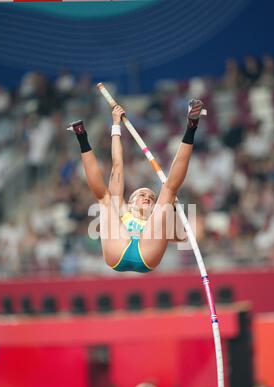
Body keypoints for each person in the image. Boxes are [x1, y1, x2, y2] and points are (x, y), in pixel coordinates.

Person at [67, 99, 204, 273]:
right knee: (106, 199)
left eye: (150, 198)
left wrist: (172, 212)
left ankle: (192, 126)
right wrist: (116, 125)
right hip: (117, 250)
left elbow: (182, 237)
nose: (147, 197)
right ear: (130, 202)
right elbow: (117, 164)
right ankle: (82, 136)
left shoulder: (156, 218)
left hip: (147, 255)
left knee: (168, 191)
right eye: (141, 195)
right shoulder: (123, 210)